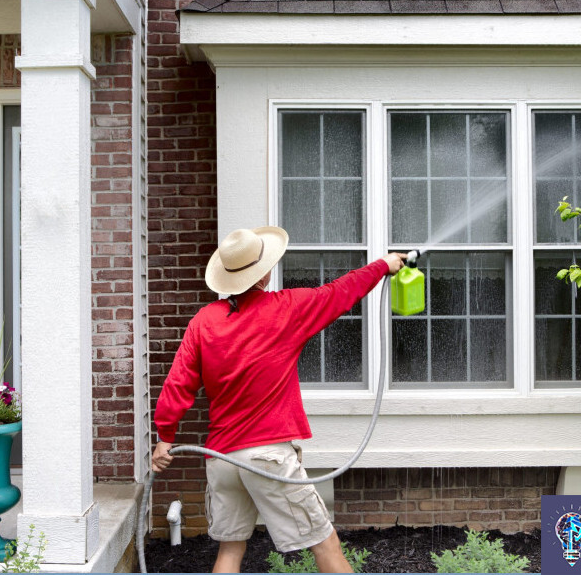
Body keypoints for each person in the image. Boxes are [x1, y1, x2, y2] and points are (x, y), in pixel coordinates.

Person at [153, 226, 406, 573]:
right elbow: (338, 292)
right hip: (267, 456)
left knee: (230, 549)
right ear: (265, 271)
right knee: (325, 542)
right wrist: (383, 265)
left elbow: (178, 383)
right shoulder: (285, 309)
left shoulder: (204, 321)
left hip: (222, 460)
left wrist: (165, 437)